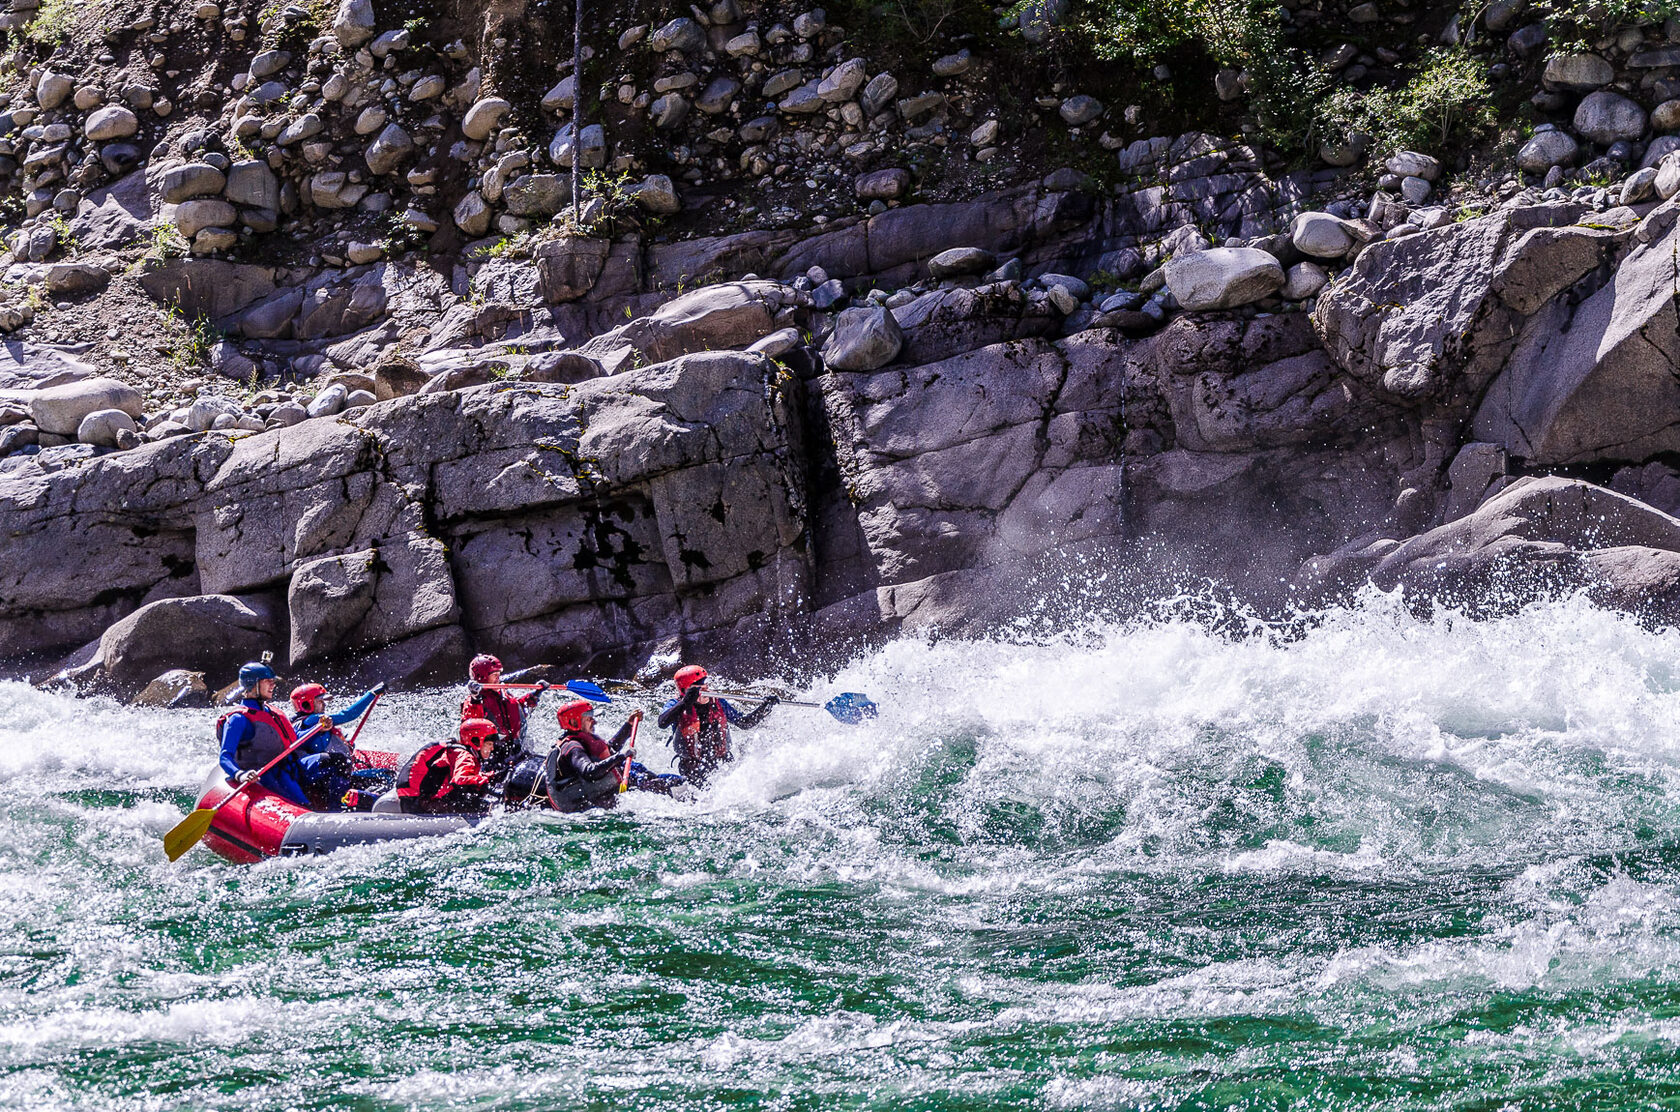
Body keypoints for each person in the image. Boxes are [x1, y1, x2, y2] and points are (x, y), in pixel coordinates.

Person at [657, 665, 778, 786]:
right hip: (692, 767)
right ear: (686, 691)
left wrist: (764, 707)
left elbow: (744, 723)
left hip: (723, 763)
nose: (706, 690)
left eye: (706, 685)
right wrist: (685, 703)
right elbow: (662, 723)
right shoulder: (675, 704)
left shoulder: (718, 702)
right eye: (700, 687)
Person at [218, 661, 315, 809]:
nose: (273, 685)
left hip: (285, 771)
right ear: (253, 684)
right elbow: (225, 757)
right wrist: (240, 775)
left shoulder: (272, 712)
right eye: (267, 681)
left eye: (273, 681)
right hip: (263, 777)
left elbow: (292, 741)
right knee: (300, 804)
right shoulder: (238, 719)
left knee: (330, 762)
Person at [289, 681, 386, 811]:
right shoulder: (311, 720)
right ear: (306, 704)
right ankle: (338, 806)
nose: (324, 704)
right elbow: (347, 715)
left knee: (384, 775)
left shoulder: (318, 720)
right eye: (320, 701)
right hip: (317, 772)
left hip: (329, 774)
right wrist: (371, 694)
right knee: (339, 761)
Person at [459, 654, 549, 776]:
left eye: (498, 674)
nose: (498, 678)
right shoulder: (475, 701)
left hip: (516, 750)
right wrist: (475, 698)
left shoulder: (505, 694)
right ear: (482, 677)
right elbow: (471, 722)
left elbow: (519, 709)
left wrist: (535, 694)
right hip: (494, 756)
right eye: (494, 675)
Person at [544, 700, 637, 813]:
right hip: (583, 806)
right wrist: (621, 757)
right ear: (574, 722)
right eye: (589, 719)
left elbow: (609, 751)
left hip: (595, 796)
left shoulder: (580, 740)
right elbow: (589, 772)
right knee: (644, 780)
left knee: (639, 771)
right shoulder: (573, 747)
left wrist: (628, 726)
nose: (595, 722)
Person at [394, 718, 498, 815]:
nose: (492, 748)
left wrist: (488, 777)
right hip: (418, 804)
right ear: (476, 741)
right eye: (489, 744)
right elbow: (460, 780)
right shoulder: (465, 755)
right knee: (483, 806)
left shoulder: (457, 751)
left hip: (413, 800)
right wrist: (486, 784)